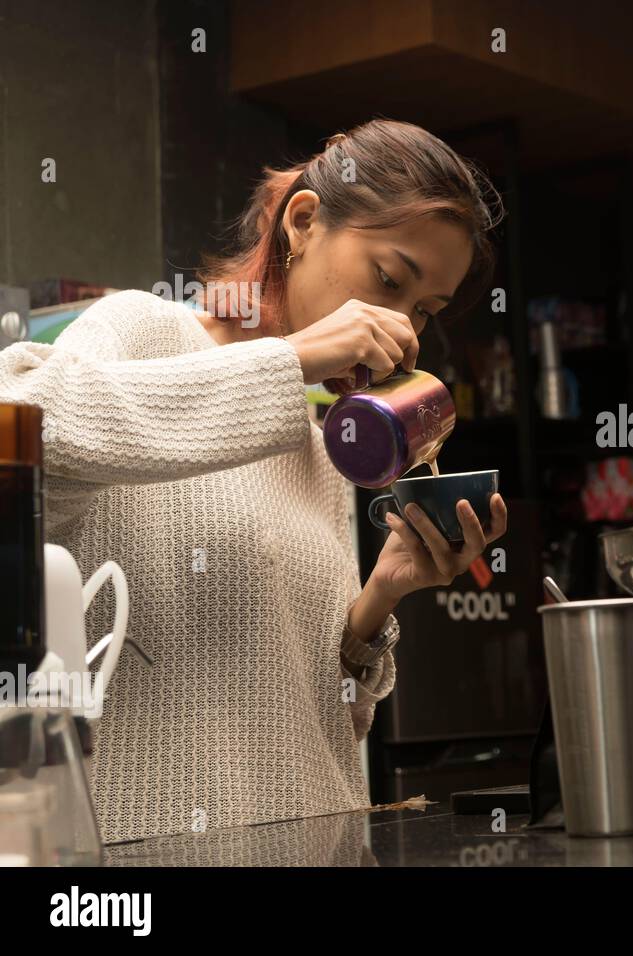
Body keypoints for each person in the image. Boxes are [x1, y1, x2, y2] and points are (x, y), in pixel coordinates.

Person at [0, 119, 507, 843]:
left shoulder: (319, 442)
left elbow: (332, 718)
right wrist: (292, 357)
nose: (402, 327)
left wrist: (380, 596)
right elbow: (22, 419)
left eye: (424, 310)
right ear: (303, 223)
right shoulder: (144, 332)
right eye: (389, 281)